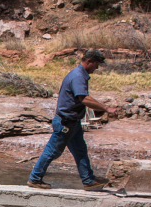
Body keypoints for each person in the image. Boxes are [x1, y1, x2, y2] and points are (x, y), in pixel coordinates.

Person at [27, 49, 118, 190]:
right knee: (52, 151)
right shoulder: (78, 76)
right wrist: (106, 108)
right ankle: (35, 179)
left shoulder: (79, 74)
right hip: (65, 123)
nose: (97, 67)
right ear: (89, 61)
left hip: (73, 123)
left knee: (80, 151)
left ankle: (88, 181)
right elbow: (84, 98)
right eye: (97, 64)